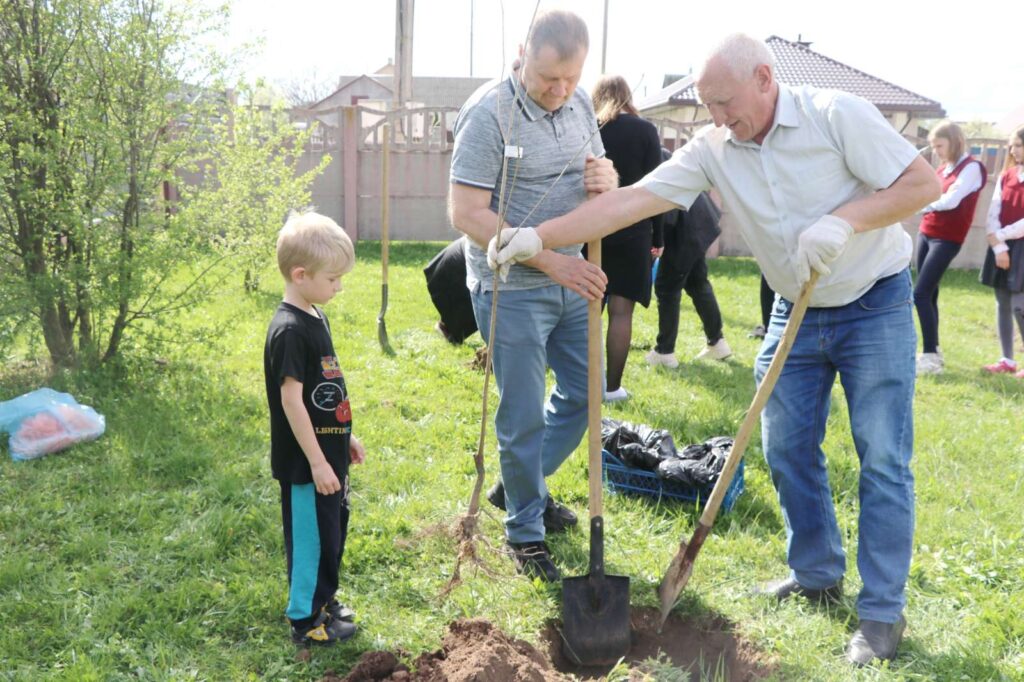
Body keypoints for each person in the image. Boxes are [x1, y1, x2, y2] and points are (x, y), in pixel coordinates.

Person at [490, 33, 940, 665]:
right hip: (795, 307)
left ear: (764, 78)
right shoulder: (715, 147)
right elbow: (630, 202)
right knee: (786, 449)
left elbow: (923, 184)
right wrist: (537, 237)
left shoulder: (836, 116)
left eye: (727, 102)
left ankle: (882, 612)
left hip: (874, 302)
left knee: (883, 457)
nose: (721, 118)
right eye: (710, 107)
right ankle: (816, 574)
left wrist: (846, 220)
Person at [448, 9, 617, 582]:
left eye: (572, 78)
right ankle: (525, 532)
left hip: (573, 277)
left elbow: (598, 179)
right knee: (522, 414)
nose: (560, 90)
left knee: (587, 394)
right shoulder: (489, 113)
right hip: (511, 287)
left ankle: (521, 484)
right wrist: (549, 258)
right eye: (549, 78)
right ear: (522, 55)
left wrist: (608, 181)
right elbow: (466, 213)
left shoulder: (579, 104)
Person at [263, 212, 365, 646]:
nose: (338, 287)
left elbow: (324, 392)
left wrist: (345, 435)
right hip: (306, 467)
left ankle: (324, 599)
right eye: (333, 278)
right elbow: (292, 401)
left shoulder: (315, 315)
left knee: (331, 532)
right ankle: (305, 620)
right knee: (310, 541)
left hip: (329, 455)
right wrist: (319, 462)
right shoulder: (289, 331)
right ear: (300, 275)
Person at [589, 75, 664, 400]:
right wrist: (658, 237)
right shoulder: (645, 130)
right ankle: (612, 388)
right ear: (627, 96)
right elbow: (656, 188)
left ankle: (583, 385)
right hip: (634, 228)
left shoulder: (590, 128)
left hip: (591, 227)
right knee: (621, 313)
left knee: (588, 311)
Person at [646, 148, 731, 368]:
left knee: (667, 288)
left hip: (685, 228)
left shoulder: (650, 156)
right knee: (697, 283)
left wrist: (657, 240)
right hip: (700, 220)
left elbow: (665, 209)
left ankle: (665, 351)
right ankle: (717, 342)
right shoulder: (660, 151)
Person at [915, 122, 988, 375]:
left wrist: (921, 206)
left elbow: (951, 200)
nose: (936, 151)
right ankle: (934, 350)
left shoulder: (972, 168)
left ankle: (929, 356)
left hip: (947, 238)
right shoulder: (943, 169)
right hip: (926, 232)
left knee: (920, 294)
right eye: (933, 146)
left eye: (940, 145)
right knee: (930, 293)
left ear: (955, 142)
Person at [980, 125, 1024, 376]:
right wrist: (998, 247)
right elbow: (993, 211)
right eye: (1011, 145)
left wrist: (1001, 237)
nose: (1012, 150)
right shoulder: (1007, 176)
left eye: (1018, 145)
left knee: (1020, 305)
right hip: (1002, 245)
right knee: (1003, 302)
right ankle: (1007, 359)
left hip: (1019, 245)